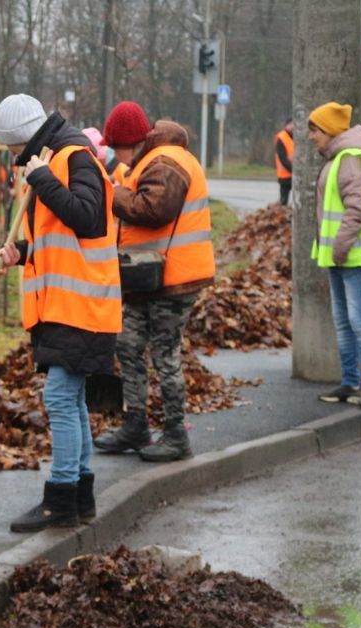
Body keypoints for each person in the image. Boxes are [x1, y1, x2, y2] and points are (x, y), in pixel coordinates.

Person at [0, 94, 120, 532]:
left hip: (83, 306)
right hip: (69, 305)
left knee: (61, 398)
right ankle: (79, 496)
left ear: (25, 139)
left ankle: (61, 498)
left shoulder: (74, 158)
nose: (14, 158)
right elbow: (61, 240)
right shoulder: (53, 160)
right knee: (72, 399)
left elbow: (88, 218)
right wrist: (23, 251)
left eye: (13, 149)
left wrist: (42, 179)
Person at [93, 101, 216, 462]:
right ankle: (136, 425)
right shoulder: (150, 161)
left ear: (129, 142)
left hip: (173, 279)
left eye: (115, 147)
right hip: (148, 276)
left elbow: (153, 210)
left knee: (164, 355)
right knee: (128, 346)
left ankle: (176, 435)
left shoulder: (166, 163)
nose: (114, 155)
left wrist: (109, 192)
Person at [307, 102, 361, 408]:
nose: (311, 136)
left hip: (356, 255)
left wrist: (340, 246)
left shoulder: (349, 159)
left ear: (329, 130)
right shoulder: (339, 157)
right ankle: (350, 382)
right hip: (341, 255)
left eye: (315, 130)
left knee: (359, 320)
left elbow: (357, 208)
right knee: (343, 321)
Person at [275, 117, 295, 205]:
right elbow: (282, 158)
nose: (292, 126)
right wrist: (293, 170)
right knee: (284, 200)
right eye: (291, 124)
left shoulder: (295, 137)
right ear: (287, 125)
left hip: (293, 174)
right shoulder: (281, 138)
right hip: (285, 175)